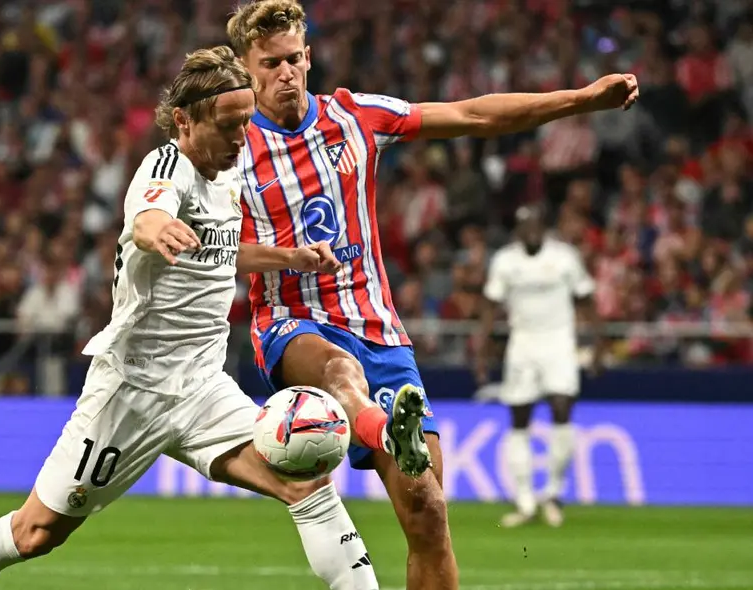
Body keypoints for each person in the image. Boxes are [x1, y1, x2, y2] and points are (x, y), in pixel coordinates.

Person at [0, 46, 379, 590]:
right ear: (184, 120)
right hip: (132, 391)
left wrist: (289, 257)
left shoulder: (226, 177)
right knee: (35, 533)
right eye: (228, 125)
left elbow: (219, 250)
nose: (241, 138)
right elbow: (150, 216)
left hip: (203, 388)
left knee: (305, 480)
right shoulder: (166, 166)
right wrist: (155, 228)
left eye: (246, 123)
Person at [225, 1, 638, 587]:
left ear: (309, 57)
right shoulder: (231, 148)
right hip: (293, 324)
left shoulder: (354, 116)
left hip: (378, 328)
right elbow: (210, 250)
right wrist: (286, 258)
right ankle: (386, 429)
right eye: (270, 64)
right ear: (247, 68)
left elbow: (472, 114)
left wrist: (581, 99)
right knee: (340, 372)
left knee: (429, 512)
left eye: (293, 59)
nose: (285, 73)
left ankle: (392, 433)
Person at [476, 205, 603, 528]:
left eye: (536, 224)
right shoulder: (505, 261)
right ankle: (525, 501)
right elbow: (490, 305)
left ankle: (554, 493)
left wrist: (598, 343)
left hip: (559, 342)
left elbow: (586, 299)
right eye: (525, 225)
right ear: (518, 231)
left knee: (562, 408)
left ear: (544, 227)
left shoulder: (565, 257)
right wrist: (482, 350)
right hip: (522, 344)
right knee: (520, 418)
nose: (531, 230)